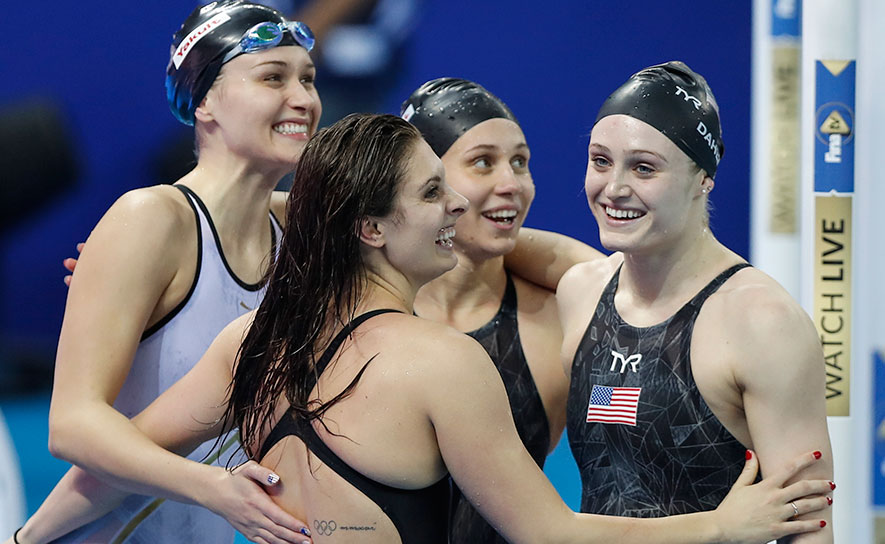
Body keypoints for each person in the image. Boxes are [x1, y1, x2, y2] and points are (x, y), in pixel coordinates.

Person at [9, 113, 833, 544]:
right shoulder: (442, 367)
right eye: (436, 195)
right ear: (372, 228)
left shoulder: (250, 345)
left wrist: (27, 536)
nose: (461, 211)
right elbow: (548, 532)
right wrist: (724, 528)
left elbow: (109, 467)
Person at [12, 2, 321, 542]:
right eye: (273, 77)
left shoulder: (296, 230)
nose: (303, 98)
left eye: (308, 79)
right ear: (205, 103)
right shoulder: (151, 220)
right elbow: (71, 426)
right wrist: (213, 487)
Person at [552, 61, 835, 540]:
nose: (614, 188)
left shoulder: (761, 322)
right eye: (601, 161)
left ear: (703, 177)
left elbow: (809, 529)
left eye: (644, 168)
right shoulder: (579, 293)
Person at [402, 77, 601, 543]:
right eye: (483, 162)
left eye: (520, 162)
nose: (511, 184)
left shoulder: (559, 322)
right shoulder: (357, 310)